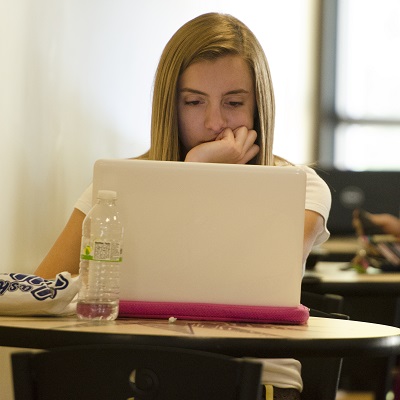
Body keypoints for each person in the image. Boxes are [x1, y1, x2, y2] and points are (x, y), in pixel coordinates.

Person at [34, 12, 331, 400]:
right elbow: (42, 291)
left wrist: (199, 173)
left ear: (258, 107)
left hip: (253, 380)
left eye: (233, 102)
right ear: (170, 106)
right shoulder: (114, 187)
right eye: (194, 102)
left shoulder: (301, 188)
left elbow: (231, 284)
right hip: (135, 374)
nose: (214, 122)